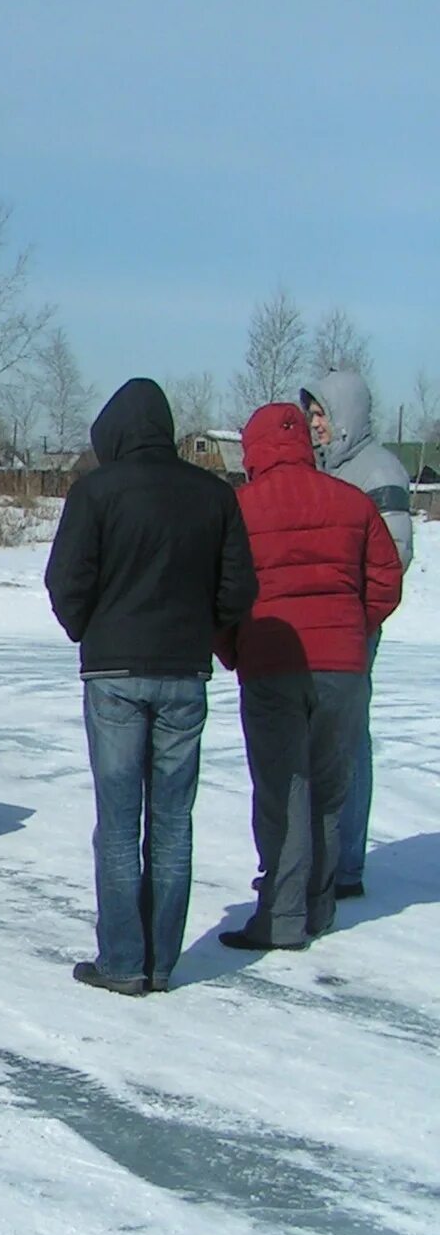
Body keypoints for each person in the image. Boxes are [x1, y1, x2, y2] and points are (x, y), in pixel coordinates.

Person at [45, 378, 257, 995]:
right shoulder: (214, 495)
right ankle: (161, 963)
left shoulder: (96, 492)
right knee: (172, 821)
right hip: (185, 674)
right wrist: (197, 629)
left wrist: (91, 628)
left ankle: (122, 963)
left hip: (113, 675)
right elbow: (239, 589)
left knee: (118, 823)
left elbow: (66, 581)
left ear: (113, 433)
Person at [215, 402, 402, 950]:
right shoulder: (351, 503)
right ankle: (319, 907)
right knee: (327, 789)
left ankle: (282, 916)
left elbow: (216, 594)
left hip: (272, 663)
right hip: (343, 668)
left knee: (282, 790)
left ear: (254, 449)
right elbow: (386, 581)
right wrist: (350, 629)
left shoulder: (238, 510)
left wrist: (235, 649)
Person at [299, 369, 414, 898]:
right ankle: (313, 856)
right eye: (312, 415)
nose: (315, 424)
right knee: (313, 740)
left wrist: (357, 621)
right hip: (317, 627)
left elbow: (396, 555)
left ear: (345, 415)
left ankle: (346, 864)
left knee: (347, 740)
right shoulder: (322, 468)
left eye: (322, 414)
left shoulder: (378, 469)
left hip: (352, 629)